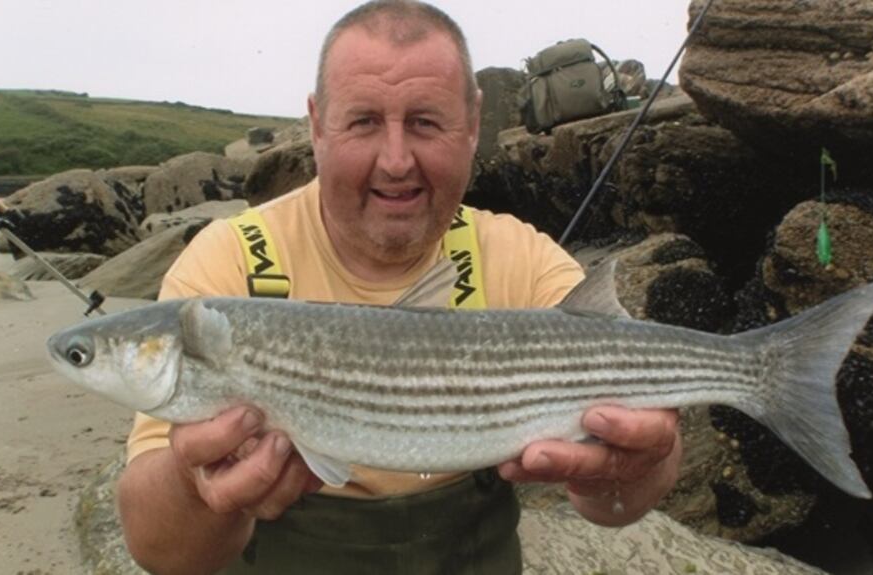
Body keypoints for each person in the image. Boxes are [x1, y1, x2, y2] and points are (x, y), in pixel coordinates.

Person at [117, 1, 682, 573]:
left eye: (425, 122)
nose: (395, 161)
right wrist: (197, 486)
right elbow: (163, 554)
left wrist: (637, 464)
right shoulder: (226, 265)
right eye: (363, 121)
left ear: (471, 126)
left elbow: (616, 504)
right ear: (317, 125)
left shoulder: (522, 258)